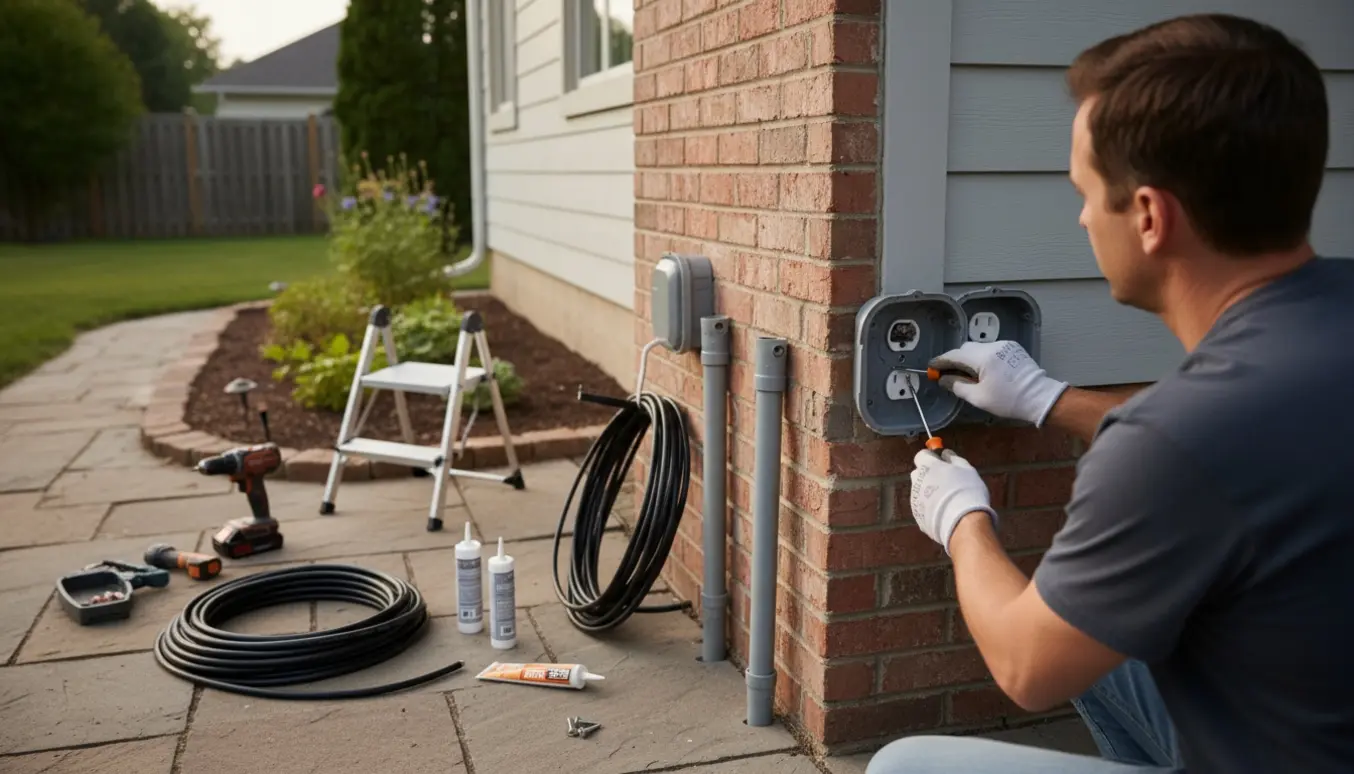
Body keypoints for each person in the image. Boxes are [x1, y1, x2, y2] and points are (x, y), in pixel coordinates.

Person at [868, 12, 1354, 774]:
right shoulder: (1316, 334)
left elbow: (1027, 667)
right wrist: (1044, 398)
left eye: (1088, 192)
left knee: (907, 766)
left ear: (1152, 216)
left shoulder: (1176, 443)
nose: (1085, 216)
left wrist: (961, 520)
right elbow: (1235, 439)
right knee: (1108, 641)